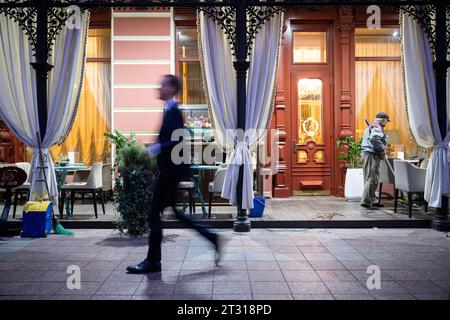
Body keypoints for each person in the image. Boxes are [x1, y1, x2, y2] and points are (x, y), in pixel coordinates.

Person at [127, 75, 221, 273]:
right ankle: (211, 237)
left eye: (162, 85)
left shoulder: (174, 112)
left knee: (154, 213)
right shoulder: (170, 110)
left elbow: (179, 139)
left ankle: (153, 261)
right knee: (176, 213)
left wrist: (156, 148)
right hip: (170, 171)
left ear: (171, 88)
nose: (158, 88)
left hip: (170, 173)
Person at [360, 112, 390, 210]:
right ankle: (366, 201)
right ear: (383, 120)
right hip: (372, 155)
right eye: (386, 121)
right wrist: (381, 149)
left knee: (369, 178)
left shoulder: (373, 126)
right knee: (372, 178)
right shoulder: (377, 127)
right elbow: (374, 139)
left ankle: (372, 199)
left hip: (367, 154)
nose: (387, 123)